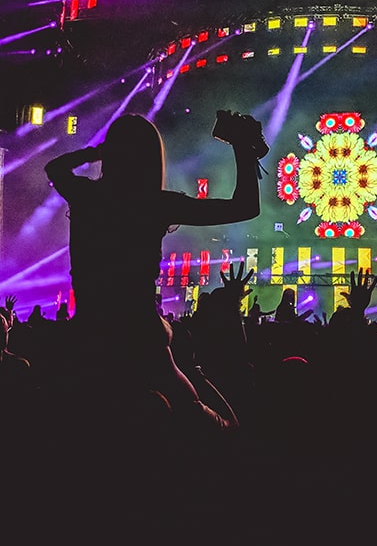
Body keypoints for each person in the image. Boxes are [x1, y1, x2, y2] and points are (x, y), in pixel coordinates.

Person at [44, 111, 267, 420]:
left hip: (88, 338)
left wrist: (97, 152)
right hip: (142, 342)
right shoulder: (157, 204)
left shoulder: (87, 195)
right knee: (219, 426)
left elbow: (54, 168)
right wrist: (242, 148)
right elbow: (244, 207)